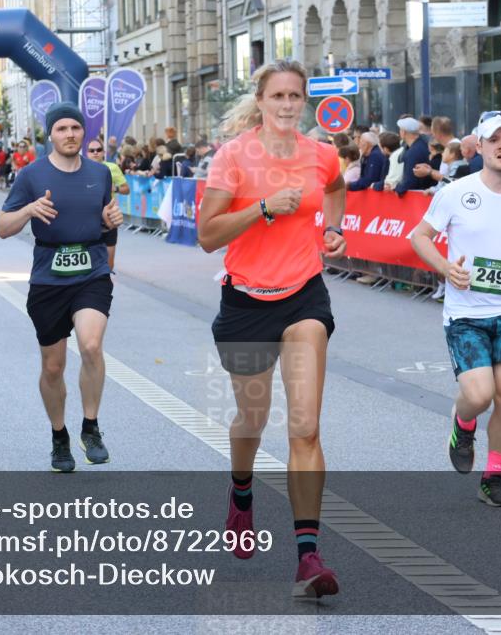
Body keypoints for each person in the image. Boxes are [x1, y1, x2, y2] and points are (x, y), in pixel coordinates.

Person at [199, 59, 346, 599]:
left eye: (295, 96)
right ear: (259, 100)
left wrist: (333, 230)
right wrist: (262, 208)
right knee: (251, 420)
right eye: (278, 96)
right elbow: (207, 235)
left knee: (305, 428)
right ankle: (241, 493)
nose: (287, 105)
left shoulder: (321, 154)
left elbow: (334, 189)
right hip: (244, 300)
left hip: (304, 296)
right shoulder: (233, 157)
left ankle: (309, 557)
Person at [410, 110, 501, 507]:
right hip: (466, 315)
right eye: (495, 140)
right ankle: (464, 422)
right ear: (480, 146)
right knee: (479, 395)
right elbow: (419, 236)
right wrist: (445, 268)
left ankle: (492, 477)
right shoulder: (457, 192)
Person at [0, 104, 123, 473]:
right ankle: (59, 436)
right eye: (62, 128)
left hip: (91, 272)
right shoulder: (31, 175)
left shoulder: (100, 174)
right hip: (49, 278)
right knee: (53, 366)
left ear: (84, 133)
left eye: (76, 128)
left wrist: (109, 222)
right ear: (50, 134)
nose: (70, 134)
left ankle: (91, 427)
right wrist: (29, 210)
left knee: (91, 344)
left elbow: (106, 222)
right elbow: (4, 227)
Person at [86, 138, 130, 271]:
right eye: (91, 150)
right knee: (89, 256)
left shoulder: (112, 168)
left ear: (103, 152)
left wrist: (114, 189)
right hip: (88, 216)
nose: (95, 153)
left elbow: (126, 189)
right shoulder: (80, 169)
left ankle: (106, 281)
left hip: (109, 216)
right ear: (87, 153)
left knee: (109, 257)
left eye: (98, 150)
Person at [394, 116, 434, 195]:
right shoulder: (422, 144)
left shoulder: (413, 152)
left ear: (404, 132)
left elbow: (410, 181)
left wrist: (398, 188)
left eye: (400, 130)